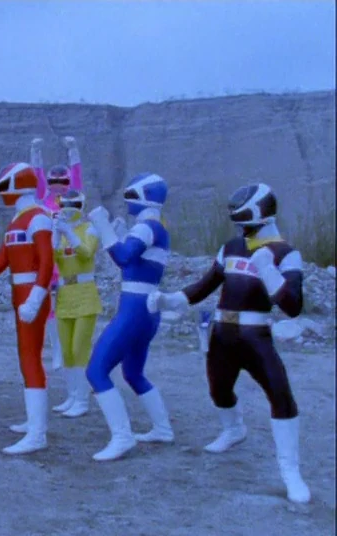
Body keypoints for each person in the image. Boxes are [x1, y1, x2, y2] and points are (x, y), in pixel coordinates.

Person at [148, 183, 310, 504]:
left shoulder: (286, 254)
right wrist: (170, 300)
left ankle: (290, 471)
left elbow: (292, 306)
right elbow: (205, 285)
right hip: (222, 333)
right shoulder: (232, 247)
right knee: (218, 389)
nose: (239, 226)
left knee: (280, 394)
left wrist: (268, 269)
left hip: (256, 335)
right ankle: (234, 430)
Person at [86, 173, 174, 461]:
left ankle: (122, 436)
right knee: (133, 373)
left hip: (135, 307)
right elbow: (132, 262)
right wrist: (117, 234)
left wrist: (103, 228)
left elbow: (123, 257)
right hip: (146, 308)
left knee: (96, 371)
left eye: (131, 196)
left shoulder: (148, 226)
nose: (127, 202)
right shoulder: (156, 226)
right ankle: (162, 428)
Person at [0, 162, 54, 455]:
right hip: (21, 293)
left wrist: (35, 299)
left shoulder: (38, 218)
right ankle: (34, 422)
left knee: (30, 358)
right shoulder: (19, 219)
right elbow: (1, 260)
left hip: (31, 294)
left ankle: (37, 433)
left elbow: (47, 263)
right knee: (26, 357)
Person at [30, 136, 84, 375]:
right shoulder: (43, 198)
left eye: (64, 181)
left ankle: (72, 347)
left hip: (70, 256)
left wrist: (74, 150)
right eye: (54, 181)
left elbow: (78, 175)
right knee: (50, 304)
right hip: (48, 257)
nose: (59, 185)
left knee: (69, 301)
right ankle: (57, 352)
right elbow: (37, 174)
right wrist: (35, 152)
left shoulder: (73, 197)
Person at [50, 189, 102, 418]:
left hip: (85, 294)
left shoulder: (89, 228)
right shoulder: (61, 232)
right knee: (66, 351)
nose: (68, 209)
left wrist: (69, 232)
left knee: (80, 349)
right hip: (65, 294)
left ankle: (82, 399)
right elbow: (51, 258)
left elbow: (86, 253)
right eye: (64, 205)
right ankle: (72, 395)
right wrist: (55, 233)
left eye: (73, 204)